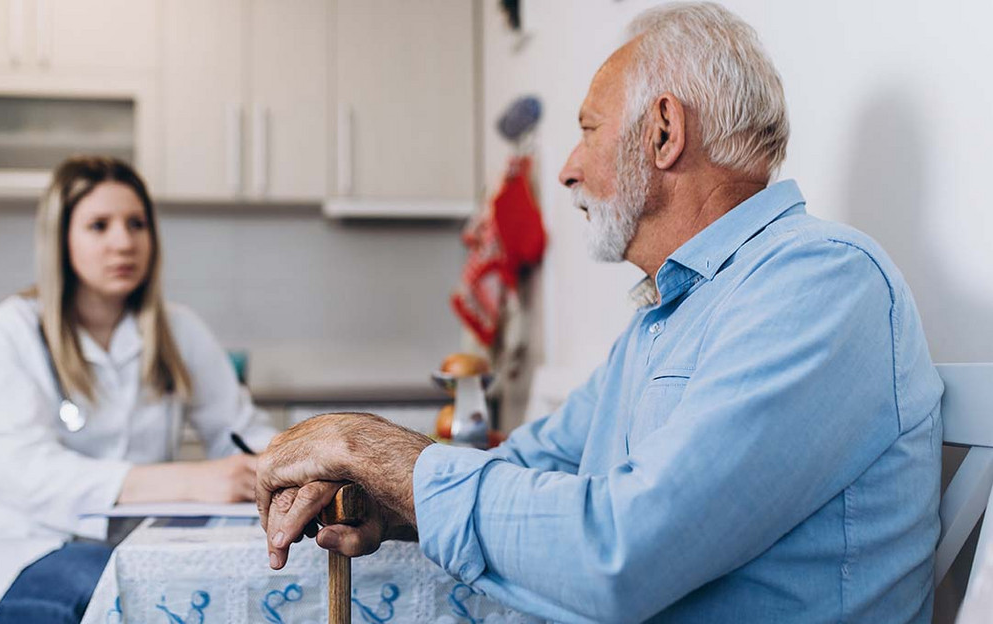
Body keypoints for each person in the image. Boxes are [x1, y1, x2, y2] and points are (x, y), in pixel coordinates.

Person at [251, 3, 944, 623]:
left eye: (588, 130)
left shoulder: (818, 285)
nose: (567, 169)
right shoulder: (668, 316)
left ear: (664, 131)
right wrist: (390, 502)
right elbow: (537, 461)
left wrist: (363, 446)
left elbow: (624, 555)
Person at [0, 156, 277, 624]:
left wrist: (296, 467)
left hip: (120, 555)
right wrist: (192, 479)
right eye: (99, 226)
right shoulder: (0, 332)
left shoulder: (178, 330)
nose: (123, 242)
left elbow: (241, 432)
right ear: (60, 240)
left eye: (136, 223)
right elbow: (26, 473)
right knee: (129, 588)